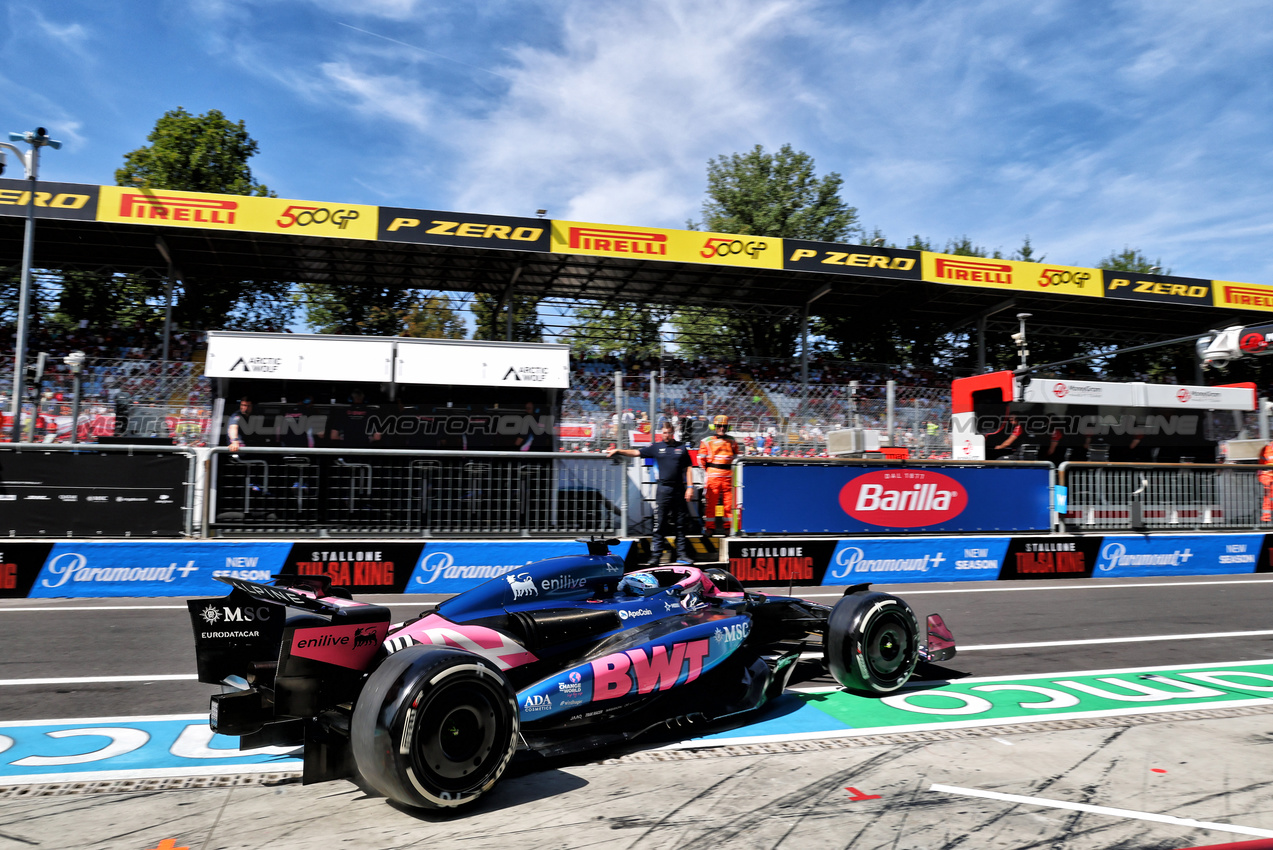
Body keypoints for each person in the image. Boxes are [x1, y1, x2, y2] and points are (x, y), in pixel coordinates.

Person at [607, 421, 694, 566]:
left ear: (673, 433)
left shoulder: (682, 448)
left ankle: (682, 555)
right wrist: (618, 451)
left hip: (679, 489)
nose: (666, 435)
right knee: (660, 524)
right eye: (664, 433)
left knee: (680, 524)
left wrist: (690, 487)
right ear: (661, 433)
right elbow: (636, 452)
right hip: (663, 490)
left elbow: (689, 468)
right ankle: (656, 556)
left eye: (669, 433)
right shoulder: (656, 447)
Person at [699, 414, 739, 535]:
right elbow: (701, 460)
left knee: (729, 504)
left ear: (727, 427)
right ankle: (709, 527)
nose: (722, 428)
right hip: (713, 477)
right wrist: (710, 471)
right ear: (715, 427)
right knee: (711, 503)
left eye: (724, 426)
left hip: (728, 477)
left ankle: (729, 528)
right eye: (719, 426)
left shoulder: (732, 441)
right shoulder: (706, 441)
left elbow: (736, 458)